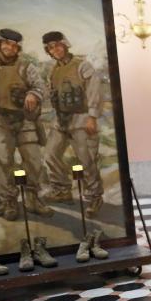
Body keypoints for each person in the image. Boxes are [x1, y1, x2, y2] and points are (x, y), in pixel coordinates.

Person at [0, 28, 53, 220]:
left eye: (14, 45)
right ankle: (8, 200)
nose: (10, 48)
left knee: (33, 160)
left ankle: (33, 199)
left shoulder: (25, 67)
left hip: (24, 118)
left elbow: (41, 87)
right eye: (6, 43)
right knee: (3, 161)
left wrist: (33, 94)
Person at [41, 31, 104, 216]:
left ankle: (94, 197)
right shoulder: (53, 70)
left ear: (65, 45)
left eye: (58, 45)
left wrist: (92, 117)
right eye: (51, 48)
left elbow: (94, 92)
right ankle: (62, 189)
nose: (55, 50)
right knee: (50, 154)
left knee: (87, 160)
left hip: (81, 119)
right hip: (61, 121)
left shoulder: (82, 66)